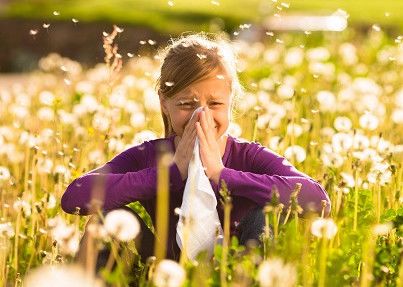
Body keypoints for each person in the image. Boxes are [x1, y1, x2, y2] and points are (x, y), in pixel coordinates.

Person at [61, 33, 331, 265]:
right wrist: (169, 174)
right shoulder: (151, 155)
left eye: (215, 104)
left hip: (241, 267)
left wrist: (222, 175)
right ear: (164, 103)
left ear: (230, 102)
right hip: (164, 268)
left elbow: (318, 201)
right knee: (105, 219)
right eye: (187, 104)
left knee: (267, 216)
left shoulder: (248, 155)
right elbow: (75, 197)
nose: (201, 116)